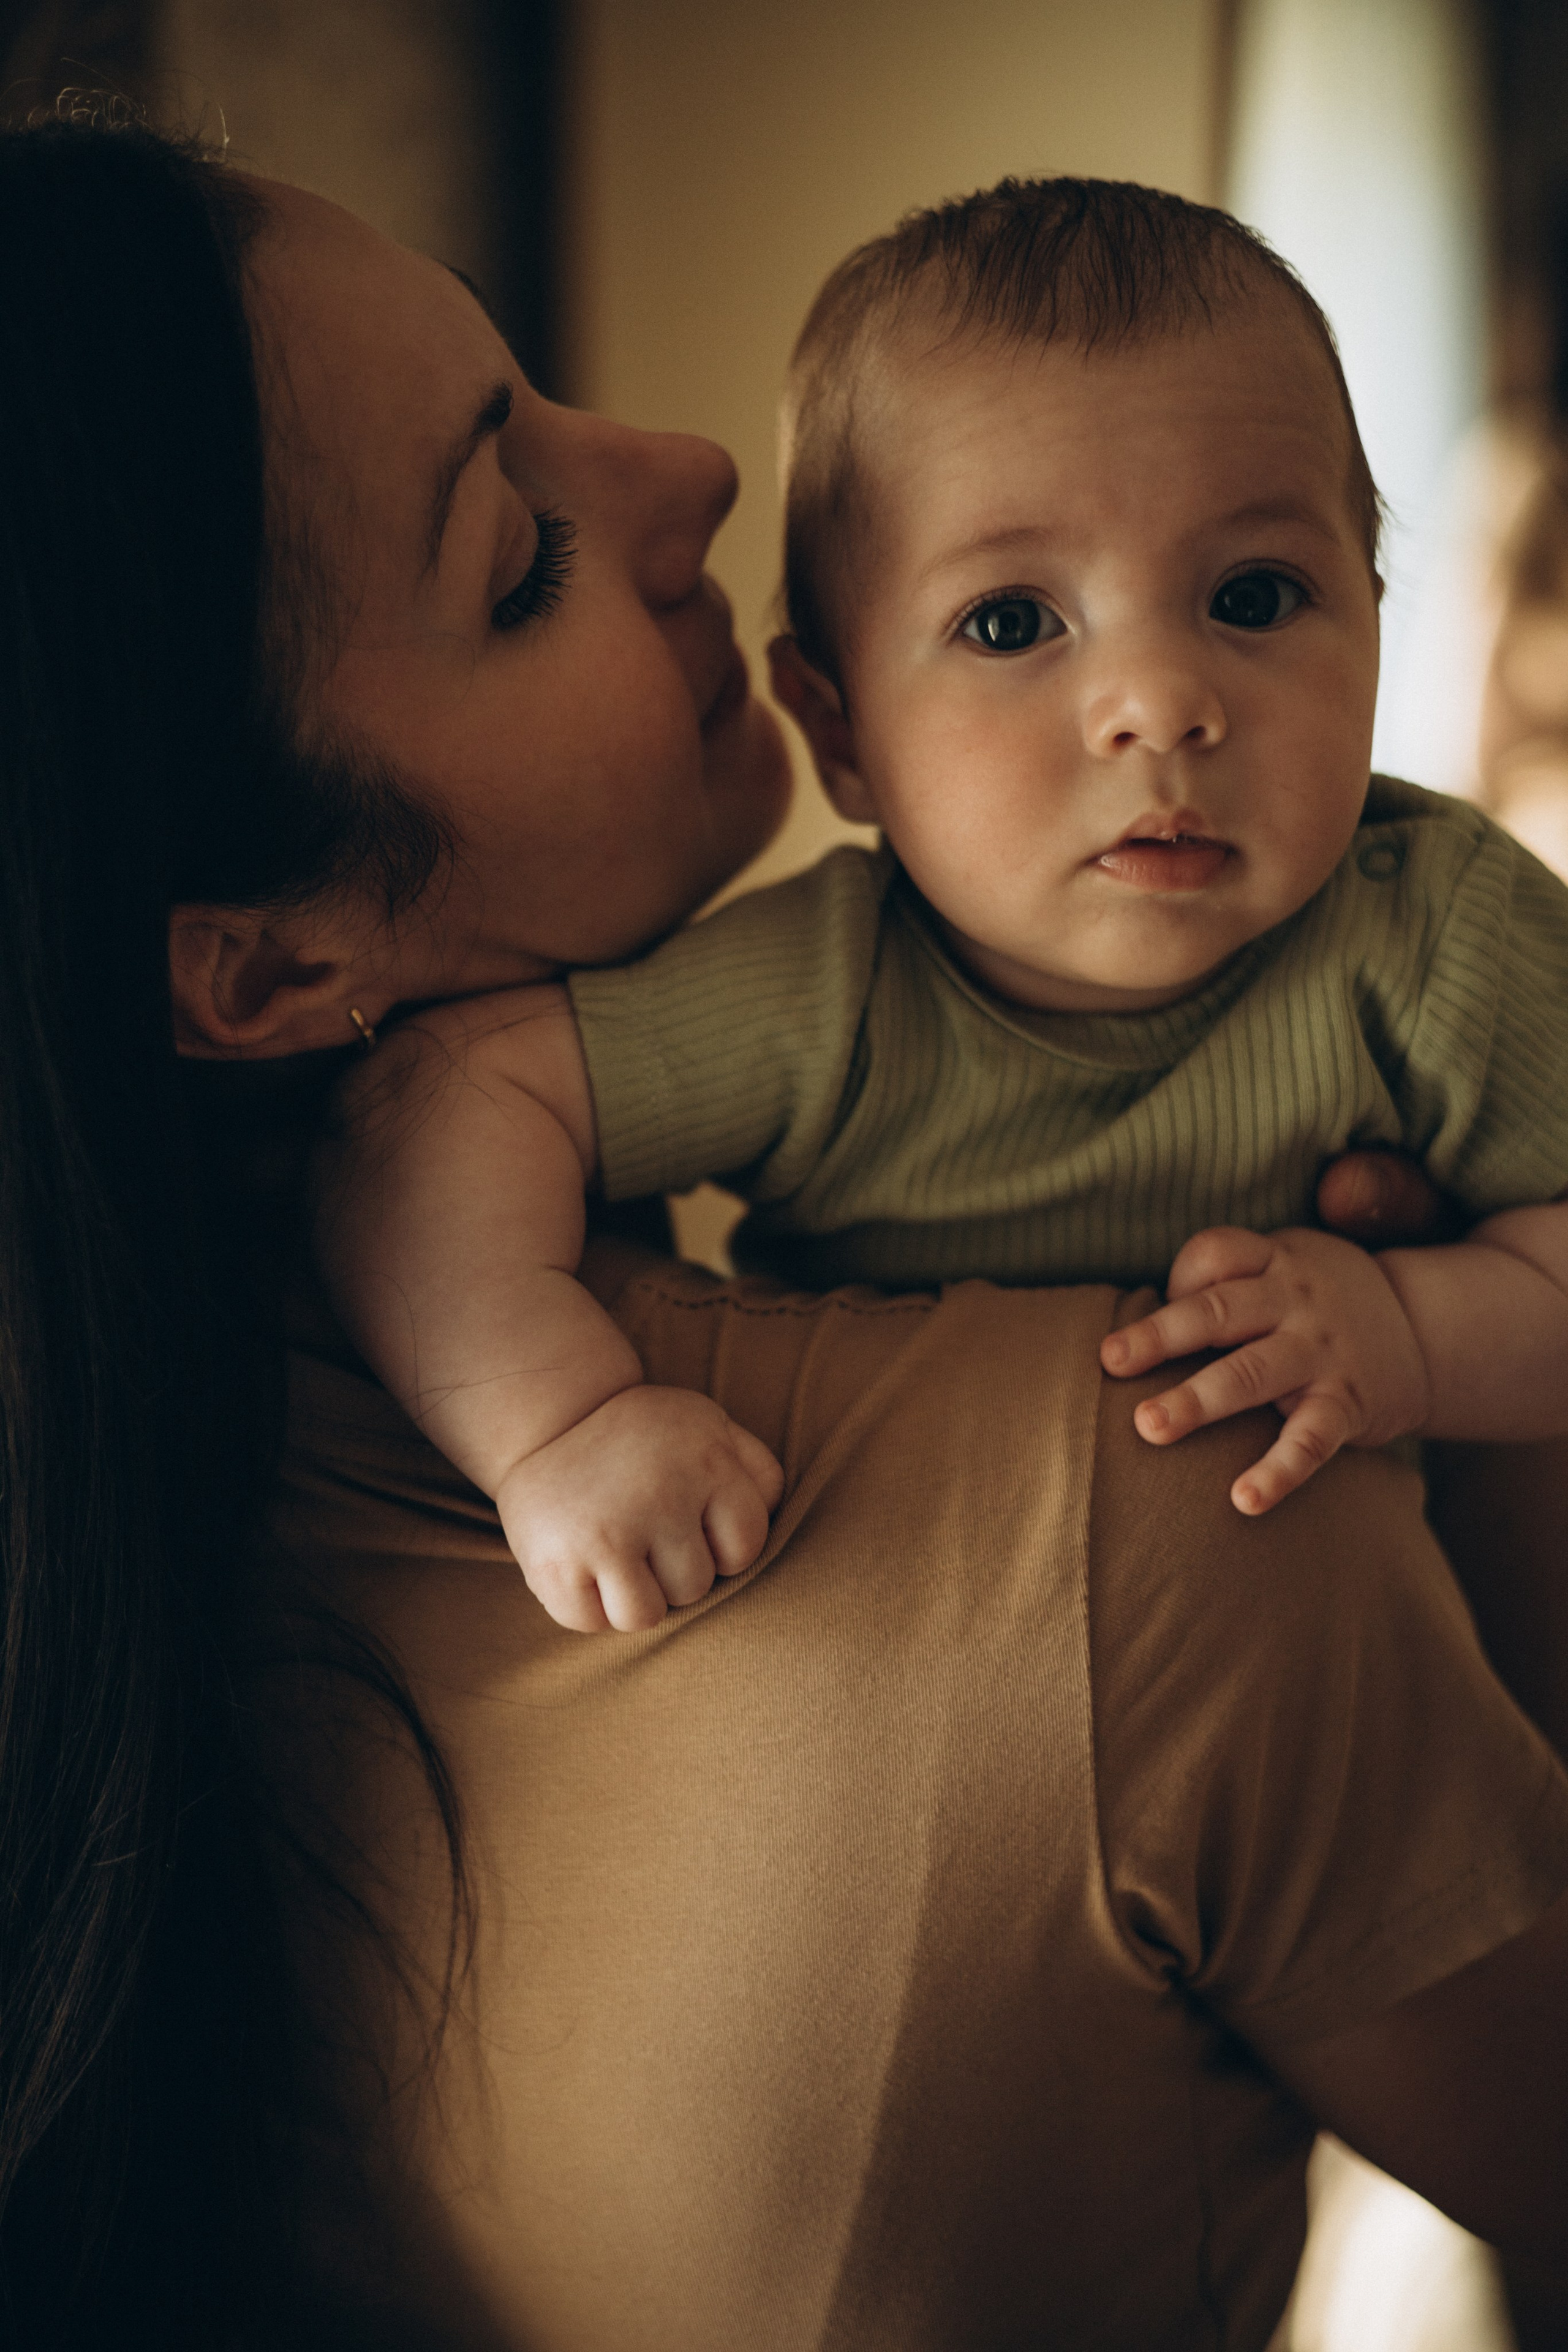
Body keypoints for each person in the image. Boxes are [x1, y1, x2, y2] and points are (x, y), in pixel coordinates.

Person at [0, 110, 1564, 2350]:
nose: (697, 473)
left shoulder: (120, 1579)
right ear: (261, 965)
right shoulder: (1159, 1510)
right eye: (520, 554)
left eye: (1256, 591)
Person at [311, 178, 1568, 1638]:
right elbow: (436, 1119)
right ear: (839, 732)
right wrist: (556, 1426)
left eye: (1252, 596)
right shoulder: (826, 992)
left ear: (1373, 624)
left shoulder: (1439, 935)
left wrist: (1410, 1331)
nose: (1159, 703)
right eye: (1010, 622)